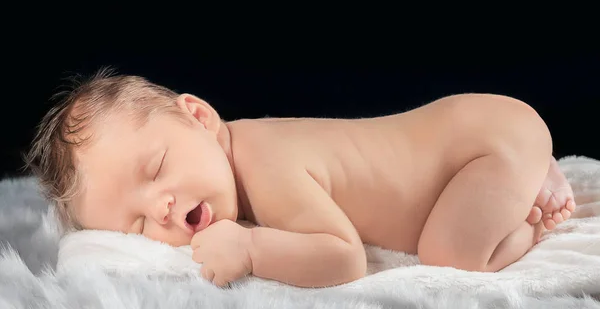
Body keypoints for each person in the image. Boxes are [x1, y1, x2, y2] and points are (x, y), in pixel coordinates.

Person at [24, 68, 576, 288]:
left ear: (199, 117)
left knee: (449, 253)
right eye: (137, 221)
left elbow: (343, 256)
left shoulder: (267, 165)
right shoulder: (237, 155)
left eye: (156, 170)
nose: (162, 208)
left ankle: (531, 210)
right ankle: (529, 164)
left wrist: (250, 246)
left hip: (478, 149)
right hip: (480, 126)